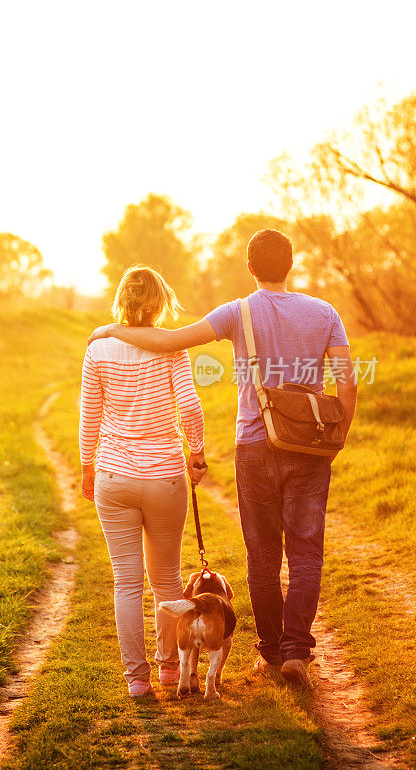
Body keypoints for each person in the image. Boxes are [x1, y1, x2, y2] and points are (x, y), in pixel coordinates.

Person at [88, 229, 358, 688]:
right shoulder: (325, 312)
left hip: (256, 445)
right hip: (311, 447)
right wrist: (338, 435)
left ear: (250, 268)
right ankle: (297, 651)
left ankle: (271, 650)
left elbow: (171, 341)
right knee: (307, 553)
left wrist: (114, 330)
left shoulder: (239, 312)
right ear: (290, 265)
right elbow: (347, 383)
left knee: (263, 554)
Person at [80, 265, 206, 697]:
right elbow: (190, 407)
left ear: (123, 300)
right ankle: (170, 669)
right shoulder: (172, 349)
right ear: (157, 303)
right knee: (167, 579)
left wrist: (86, 467)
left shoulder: (99, 348)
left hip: (113, 476)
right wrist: (198, 452)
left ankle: (137, 680)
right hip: (165, 476)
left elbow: (89, 417)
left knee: (126, 581)